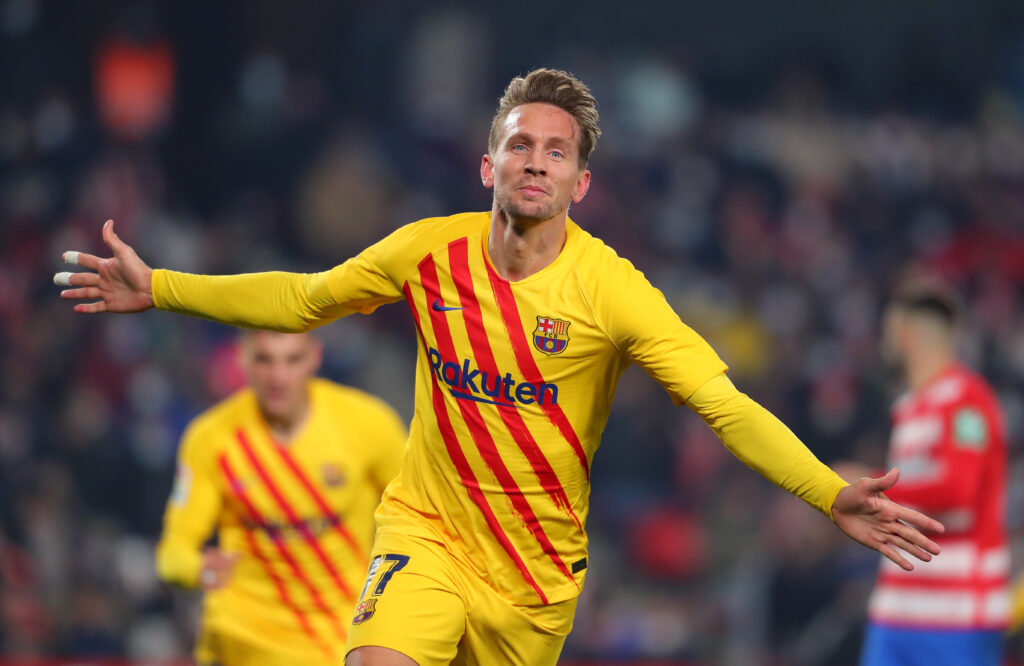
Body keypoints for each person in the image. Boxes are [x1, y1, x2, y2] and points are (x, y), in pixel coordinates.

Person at [55, 68, 944, 666]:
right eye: (522, 145)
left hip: (534, 580)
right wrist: (162, 287)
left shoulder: (613, 292)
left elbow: (721, 403)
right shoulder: (425, 253)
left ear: (580, 184)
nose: (537, 162)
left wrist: (828, 492)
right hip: (425, 537)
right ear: (489, 163)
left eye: (558, 152)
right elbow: (303, 299)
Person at [155, 330, 407, 665]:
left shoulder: (369, 425)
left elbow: (415, 517)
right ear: (243, 357)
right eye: (264, 359)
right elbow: (173, 554)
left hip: (339, 640)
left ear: (314, 357)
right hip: (241, 643)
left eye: (292, 359)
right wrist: (198, 569)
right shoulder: (211, 438)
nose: (278, 377)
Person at [859, 285, 1008, 666]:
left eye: (889, 329)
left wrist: (868, 484)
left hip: (955, 612)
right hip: (897, 607)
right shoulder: (909, 407)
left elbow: (958, 492)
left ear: (907, 334)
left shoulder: (966, 400)